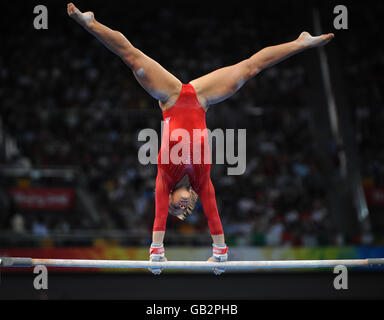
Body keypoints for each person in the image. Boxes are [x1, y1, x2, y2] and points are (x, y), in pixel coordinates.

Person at [67, 3, 334, 275]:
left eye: (177, 205)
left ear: (173, 198)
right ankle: (300, 42)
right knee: (249, 69)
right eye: (186, 206)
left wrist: (156, 251)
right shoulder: (201, 181)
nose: (182, 204)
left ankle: (91, 23)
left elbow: (159, 211)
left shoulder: (165, 177)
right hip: (201, 97)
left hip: (170, 97)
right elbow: (212, 209)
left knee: (134, 60)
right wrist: (220, 252)